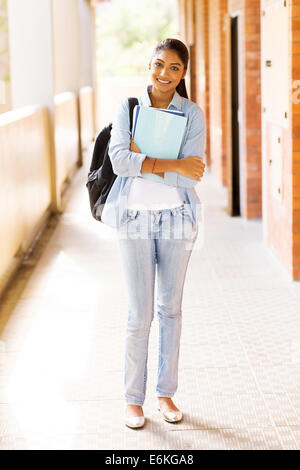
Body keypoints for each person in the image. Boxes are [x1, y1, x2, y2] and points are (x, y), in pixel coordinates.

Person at [104, 38, 206, 429]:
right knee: (139, 313)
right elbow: (118, 161)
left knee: (170, 309)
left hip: (177, 217)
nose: (165, 74)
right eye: (159, 64)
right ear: (149, 65)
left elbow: (193, 169)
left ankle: (165, 394)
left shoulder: (191, 113)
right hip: (133, 218)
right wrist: (171, 164)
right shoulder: (129, 108)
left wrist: (142, 157)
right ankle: (133, 400)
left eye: (175, 68)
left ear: (183, 74)